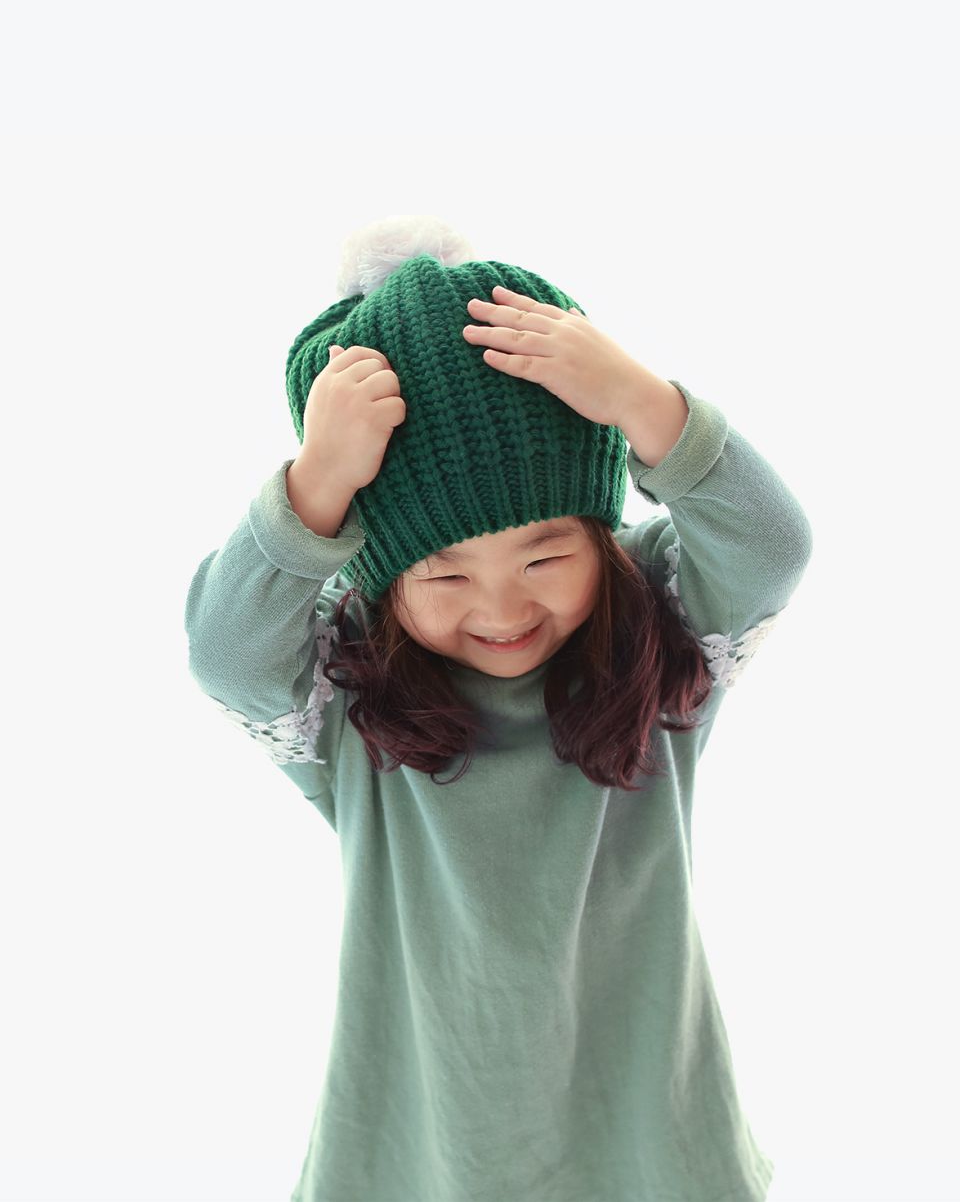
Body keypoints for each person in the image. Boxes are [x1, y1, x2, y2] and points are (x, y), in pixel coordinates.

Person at [183, 213, 813, 1202]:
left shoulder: (658, 640)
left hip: (648, 1137)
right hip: (419, 1151)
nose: (503, 608)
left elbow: (771, 545)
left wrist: (642, 402)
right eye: (445, 573)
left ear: (602, 537)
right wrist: (316, 485)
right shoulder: (352, 694)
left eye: (546, 556)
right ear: (379, 577)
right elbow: (226, 651)